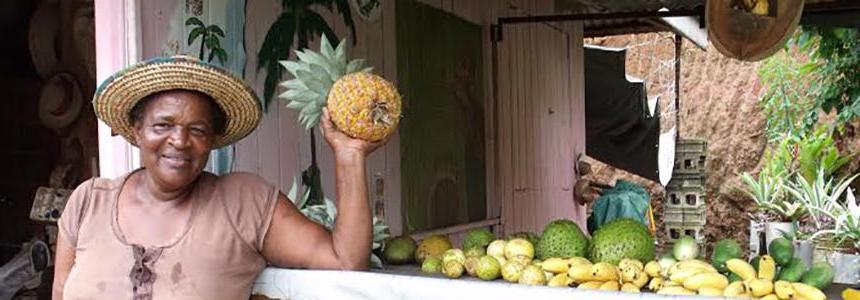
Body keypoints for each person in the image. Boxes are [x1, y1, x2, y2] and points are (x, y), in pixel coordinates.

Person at [52, 56, 383, 300]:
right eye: (162, 125)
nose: (179, 141)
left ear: (212, 140)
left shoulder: (242, 202)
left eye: (197, 129)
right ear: (137, 131)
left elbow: (345, 261)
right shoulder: (88, 201)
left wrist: (349, 155)